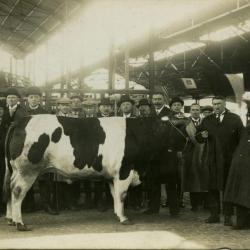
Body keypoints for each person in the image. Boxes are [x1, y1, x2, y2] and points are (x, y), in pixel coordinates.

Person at [196, 96, 243, 226]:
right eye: (214, 104)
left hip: (229, 160)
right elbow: (197, 137)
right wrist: (202, 136)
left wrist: (237, 157)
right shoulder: (207, 119)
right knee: (212, 187)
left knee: (228, 187)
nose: (216, 106)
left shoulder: (234, 119)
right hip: (211, 159)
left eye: (219, 104)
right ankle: (214, 215)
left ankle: (228, 216)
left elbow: (241, 139)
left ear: (224, 104)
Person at [23, 86, 58, 215]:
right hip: (26, 149)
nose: (33, 100)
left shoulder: (46, 113)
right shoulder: (23, 112)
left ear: (40, 99)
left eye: (36, 97)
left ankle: (46, 204)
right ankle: (29, 204)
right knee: (27, 176)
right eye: (31, 97)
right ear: (27, 99)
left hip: (44, 148)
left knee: (45, 177)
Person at [224, 97, 250, 229]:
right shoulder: (245, 130)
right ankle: (242, 222)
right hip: (242, 168)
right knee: (241, 194)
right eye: (248, 115)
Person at [0, 87, 26, 214]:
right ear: (6, 99)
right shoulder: (2, 111)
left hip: (15, 148)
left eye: (13, 97)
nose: (11, 99)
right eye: (9, 97)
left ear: (18, 99)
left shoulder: (22, 112)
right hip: (1, 147)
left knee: (14, 175)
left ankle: (19, 206)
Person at [183, 103, 209, 211]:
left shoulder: (205, 122)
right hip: (191, 153)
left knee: (204, 177)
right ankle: (195, 204)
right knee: (193, 178)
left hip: (204, 153)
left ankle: (206, 203)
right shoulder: (185, 123)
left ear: (200, 111)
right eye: (193, 110)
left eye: (197, 110)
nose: (195, 112)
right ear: (190, 111)